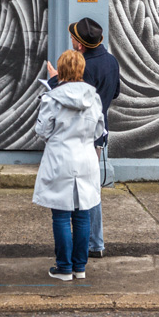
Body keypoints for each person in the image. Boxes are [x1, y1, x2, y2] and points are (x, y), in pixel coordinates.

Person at [46, 17, 119, 258]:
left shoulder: (83, 67)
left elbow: (74, 99)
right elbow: (115, 92)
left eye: (73, 39)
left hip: (78, 137)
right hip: (97, 133)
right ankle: (95, 243)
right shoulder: (111, 61)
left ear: (79, 45)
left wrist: (56, 81)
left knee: (74, 195)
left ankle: (85, 246)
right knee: (90, 188)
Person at [34, 50, 104, 282]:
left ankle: (64, 268)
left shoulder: (52, 98)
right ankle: (79, 267)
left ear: (60, 71)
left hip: (60, 159)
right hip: (86, 159)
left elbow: (42, 131)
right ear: (82, 69)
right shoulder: (94, 97)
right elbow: (98, 131)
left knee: (61, 216)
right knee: (83, 215)